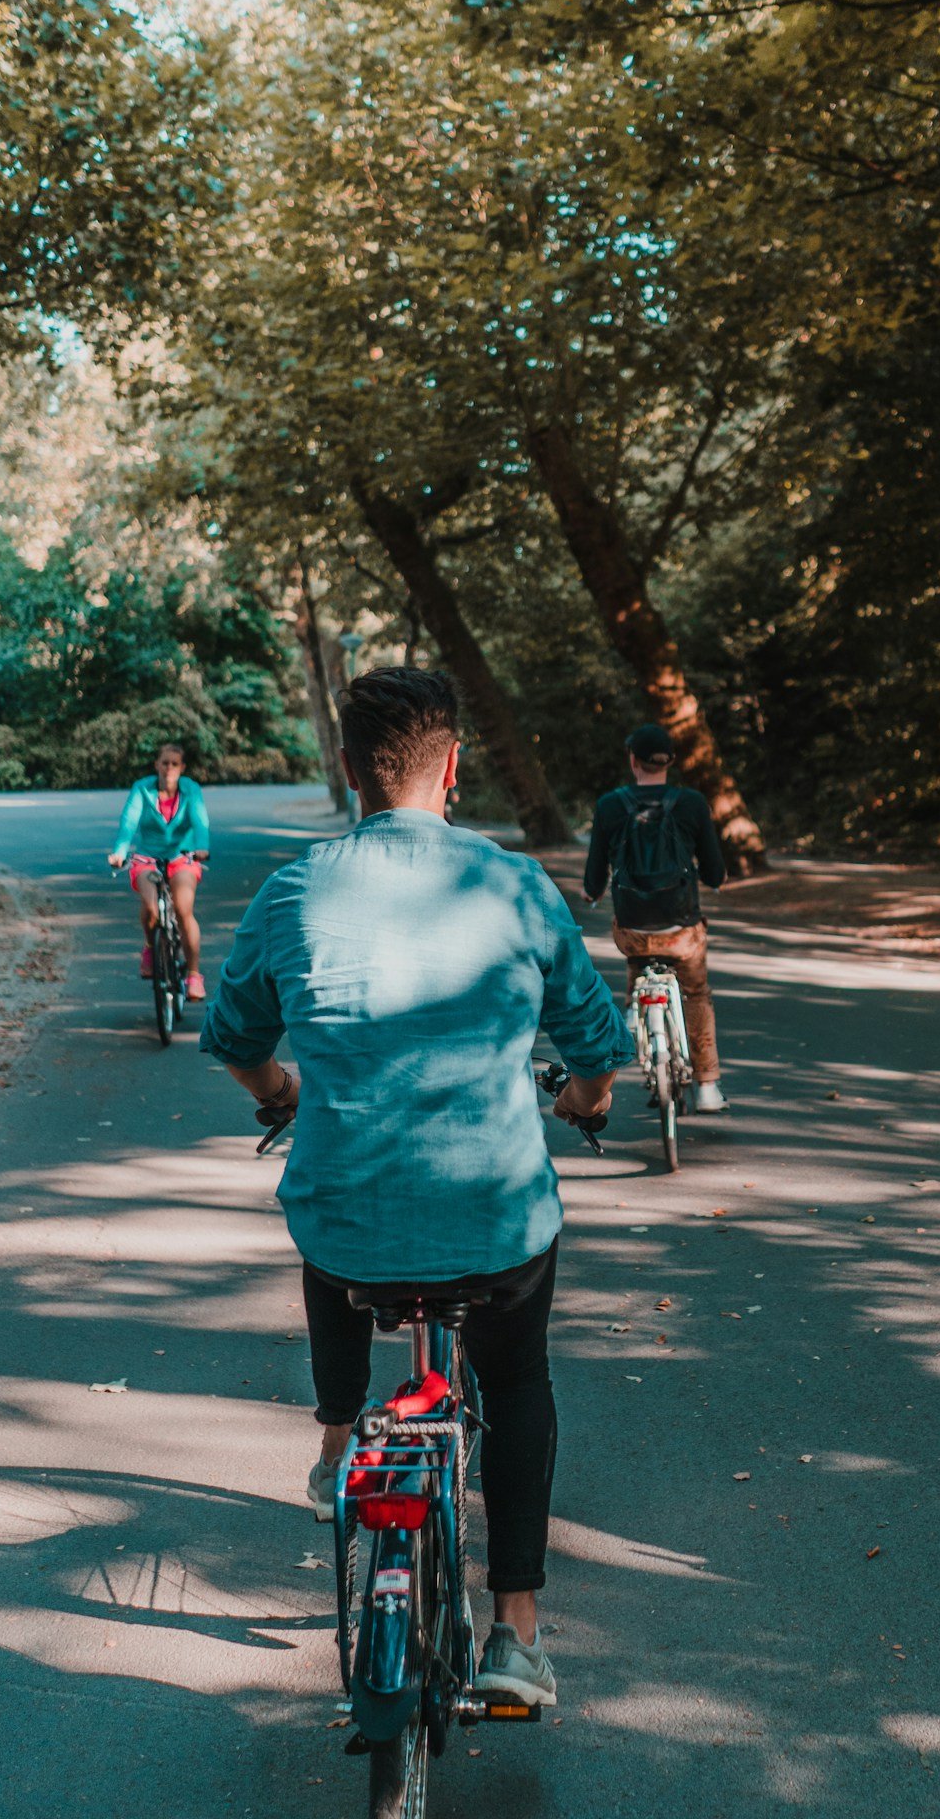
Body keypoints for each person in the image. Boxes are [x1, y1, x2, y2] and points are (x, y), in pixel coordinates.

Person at [200, 666, 633, 1709]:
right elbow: (591, 1043)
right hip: (494, 1220)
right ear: (454, 768)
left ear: (348, 769)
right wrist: (583, 1098)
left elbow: (236, 1040)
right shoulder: (515, 884)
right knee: (517, 1380)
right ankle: (517, 1632)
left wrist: (277, 1092)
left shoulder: (294, 889)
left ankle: (339, 1439)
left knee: (329, 1222)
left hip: (350, 1223)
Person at [583, 721, 728, 1112]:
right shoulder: (692, 803)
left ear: (633, 761)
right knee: (695, 993)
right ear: (671, 761)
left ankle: (636, 1013)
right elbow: (714, 871)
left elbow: (594, 876)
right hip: (681, 929)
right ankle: (708, 1087)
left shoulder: (611, 805)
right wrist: (716, 880)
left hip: (632, 927)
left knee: (639, 958)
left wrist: (592, 892)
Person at [107, 742, 211, 1001]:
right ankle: (150, 946)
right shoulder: (142, 789)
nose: (169, 768)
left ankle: (194, 974)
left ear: (182, 768)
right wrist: (120, 852)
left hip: (182, 856)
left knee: (183, 909)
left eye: (175, 764)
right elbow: (128, 822)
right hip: (147, 857)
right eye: (164, 763)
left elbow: (200, 821)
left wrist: (202, 847)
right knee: (152, 907)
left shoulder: (191, 790)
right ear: (157, 765)